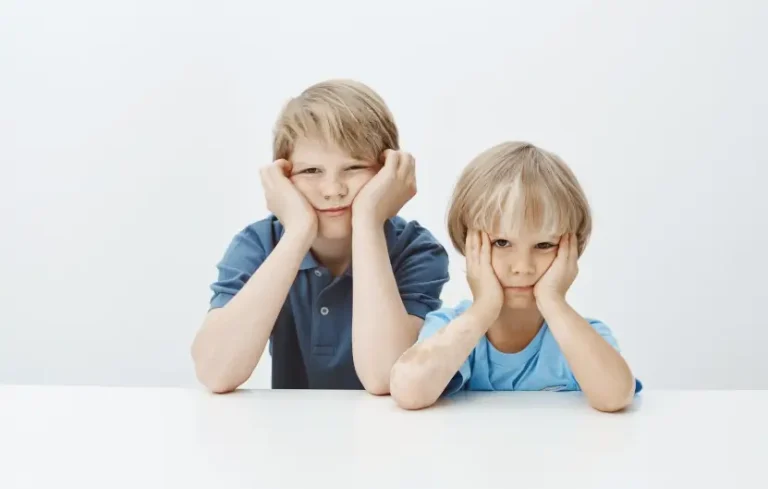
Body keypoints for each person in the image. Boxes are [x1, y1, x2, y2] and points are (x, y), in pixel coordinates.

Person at [191, 79, 449, 394]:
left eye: (354, 167)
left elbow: (385, 377)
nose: (333, 190)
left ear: (387, 171)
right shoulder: (259, 243)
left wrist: (368, 222)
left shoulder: (416, 250)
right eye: (311, 171)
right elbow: (215, 372)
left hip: (383, 424)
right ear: (283, 177)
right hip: (292, 425)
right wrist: (298, 231)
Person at [389, 141, 642, 412]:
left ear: (572, 249)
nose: (523, 267)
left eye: (544, 245)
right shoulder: (449, 327)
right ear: (467, 242)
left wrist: (553, 301)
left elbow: (615, 397)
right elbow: (408, 392)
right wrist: (484, 307)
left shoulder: (581, 335)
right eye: (501, 243)